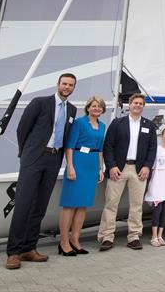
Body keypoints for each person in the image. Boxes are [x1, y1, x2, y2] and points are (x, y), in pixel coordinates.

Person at [5, 74, 77, 270]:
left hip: (54, 159)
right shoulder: (40, 103)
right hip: (34, 158)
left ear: (73, 88)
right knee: (23, 204)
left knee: (40, 206)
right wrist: (26, 153)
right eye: (64, 84)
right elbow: (22, 129)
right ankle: (13, 252)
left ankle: (29, 248)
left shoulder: (72, 109)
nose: (67, 87)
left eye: (71, 85)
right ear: (58, 85)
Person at [98, 93, 157, 251]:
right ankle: (107, 236)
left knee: (137, 205)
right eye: (135, 103)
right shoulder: (118, 123)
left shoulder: (149, 126)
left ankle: (134, 236)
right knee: (111, 203)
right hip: (119, 168)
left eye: (140, 103)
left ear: (143, 106)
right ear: (129, 105)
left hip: (139, 170)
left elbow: (152, 149)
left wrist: (147, 166)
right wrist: (111, 166)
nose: (138, 105)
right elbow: (108, 146)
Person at [58, 96, 106, 256]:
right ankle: (63, 242)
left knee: (83, 205)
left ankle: (75, 240)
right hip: (78, 162)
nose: (96, 108)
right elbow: (70, 145)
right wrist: (70, 166)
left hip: (92, 165)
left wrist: (100, 168)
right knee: (70, 204)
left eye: (99, 106)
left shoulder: (102, 126)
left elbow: (100, 149)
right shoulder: (79, 123)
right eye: (93, 106)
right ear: (88, 107)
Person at [144, 127, 165, 247]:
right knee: (157, 211)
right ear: (162, 136)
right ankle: (153, 236)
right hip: (158, 183)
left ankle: (160, 235)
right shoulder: (157, 150)